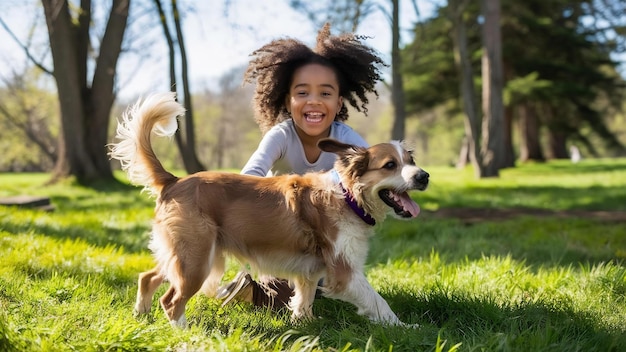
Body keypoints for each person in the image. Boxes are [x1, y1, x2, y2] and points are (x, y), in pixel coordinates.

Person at [215, 23, 386, 311]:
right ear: (287, 100)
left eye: (326, 93)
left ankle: (314, 286)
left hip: (325, 238)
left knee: (332, 278)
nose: (314, 101)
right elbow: (248, 178)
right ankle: (248, 290)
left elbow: (370, 173)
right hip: (282, 236)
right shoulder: (282, 135)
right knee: (280, 295)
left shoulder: (346, 140)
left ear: (339, 101)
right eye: (303, 92)